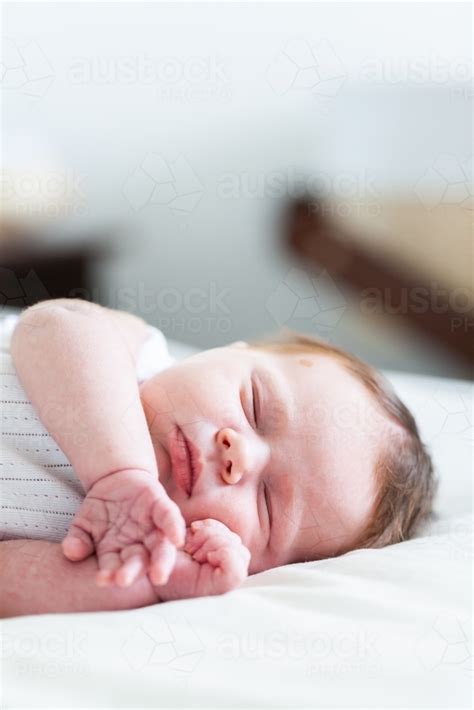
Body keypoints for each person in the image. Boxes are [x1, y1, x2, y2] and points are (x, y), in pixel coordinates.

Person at [0, 299, 437, 617]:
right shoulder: (135, 353)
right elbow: (49, 326)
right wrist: (120, 472)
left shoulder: (122, 546)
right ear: (231, 349)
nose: (239, 455)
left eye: (267, 503)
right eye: (255, 405)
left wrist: (149, 582)